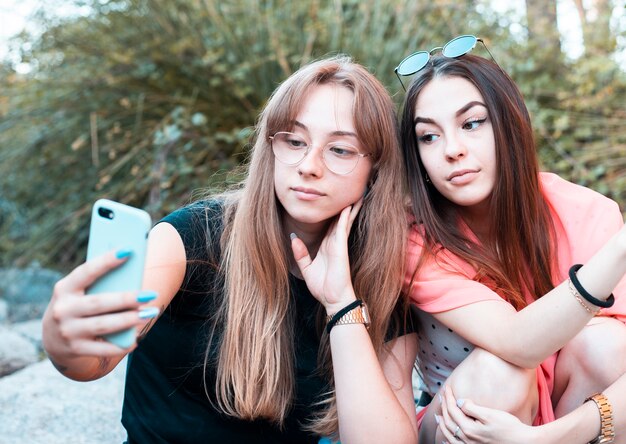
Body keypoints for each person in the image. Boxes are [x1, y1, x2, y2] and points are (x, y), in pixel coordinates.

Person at [42, 56, 419, 444]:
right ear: (270, 146)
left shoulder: (383, 278)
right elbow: (94, 361)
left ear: (376, 169)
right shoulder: (191, 237)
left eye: (339, 150)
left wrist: (341, 303)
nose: (309, 165)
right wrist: (61, 336)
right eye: (294, 140)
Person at [396, 35, 626, 444]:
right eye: (428, 136)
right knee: (501, 371)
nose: (452, 150)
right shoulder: (413, 240)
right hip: (461, 422)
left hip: (563, 426)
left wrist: (545, 439)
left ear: (509, 122)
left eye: (471, 124)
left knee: (608, 344)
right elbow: (517, 345)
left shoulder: (588, 212)